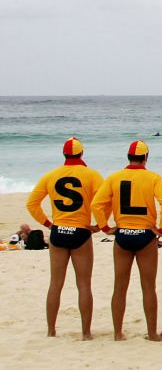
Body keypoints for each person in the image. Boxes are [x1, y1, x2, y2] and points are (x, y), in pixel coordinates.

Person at [91, 140, 162, 341]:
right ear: (146, 158)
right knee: (148, 287)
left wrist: (106, 228)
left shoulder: (114, 178)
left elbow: (96, 204)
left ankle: (118, 333)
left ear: (128, 157)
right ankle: (152, 333)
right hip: (145, 235)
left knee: (119, 287)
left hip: (123, 235)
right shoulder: (153, 178)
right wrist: (161, 229)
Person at [25, 137, 104, 339]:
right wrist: (99, 225)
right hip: (80, 232)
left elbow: (32, 204)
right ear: (82, 153)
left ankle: (51, 331)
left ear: (64, 154)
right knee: (84, 284)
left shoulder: (50, 175)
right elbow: (104, 201)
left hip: (58, 231)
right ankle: (86, 333)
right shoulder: (91, 175)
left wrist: (48, 224)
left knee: (55, 284)